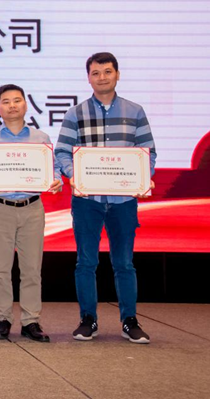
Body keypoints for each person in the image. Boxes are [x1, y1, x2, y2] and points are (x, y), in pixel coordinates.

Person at [55, 52, 156, 344]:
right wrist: (74, 175)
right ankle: (88, 319)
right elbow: (62, 151)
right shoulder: (75, 113)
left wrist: (143, 177)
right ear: (89, 78)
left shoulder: (135, 111)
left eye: (107, 71)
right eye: (96, 73)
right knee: (86, 263)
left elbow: (147, 152)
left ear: (117, 74)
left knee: (124, 263)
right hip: (87, 200)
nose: (102, 77)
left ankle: (129, 320)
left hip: (124, 201)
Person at [0, 84, 63, 342]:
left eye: (17, 100)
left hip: (32, 208)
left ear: (25, 105)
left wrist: (57, 180)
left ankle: (31, 321)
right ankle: (3, 318)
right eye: (6, 101)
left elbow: (53, 169)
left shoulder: (40, 138)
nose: (12, 105)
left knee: (32, 269)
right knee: (0, 269)